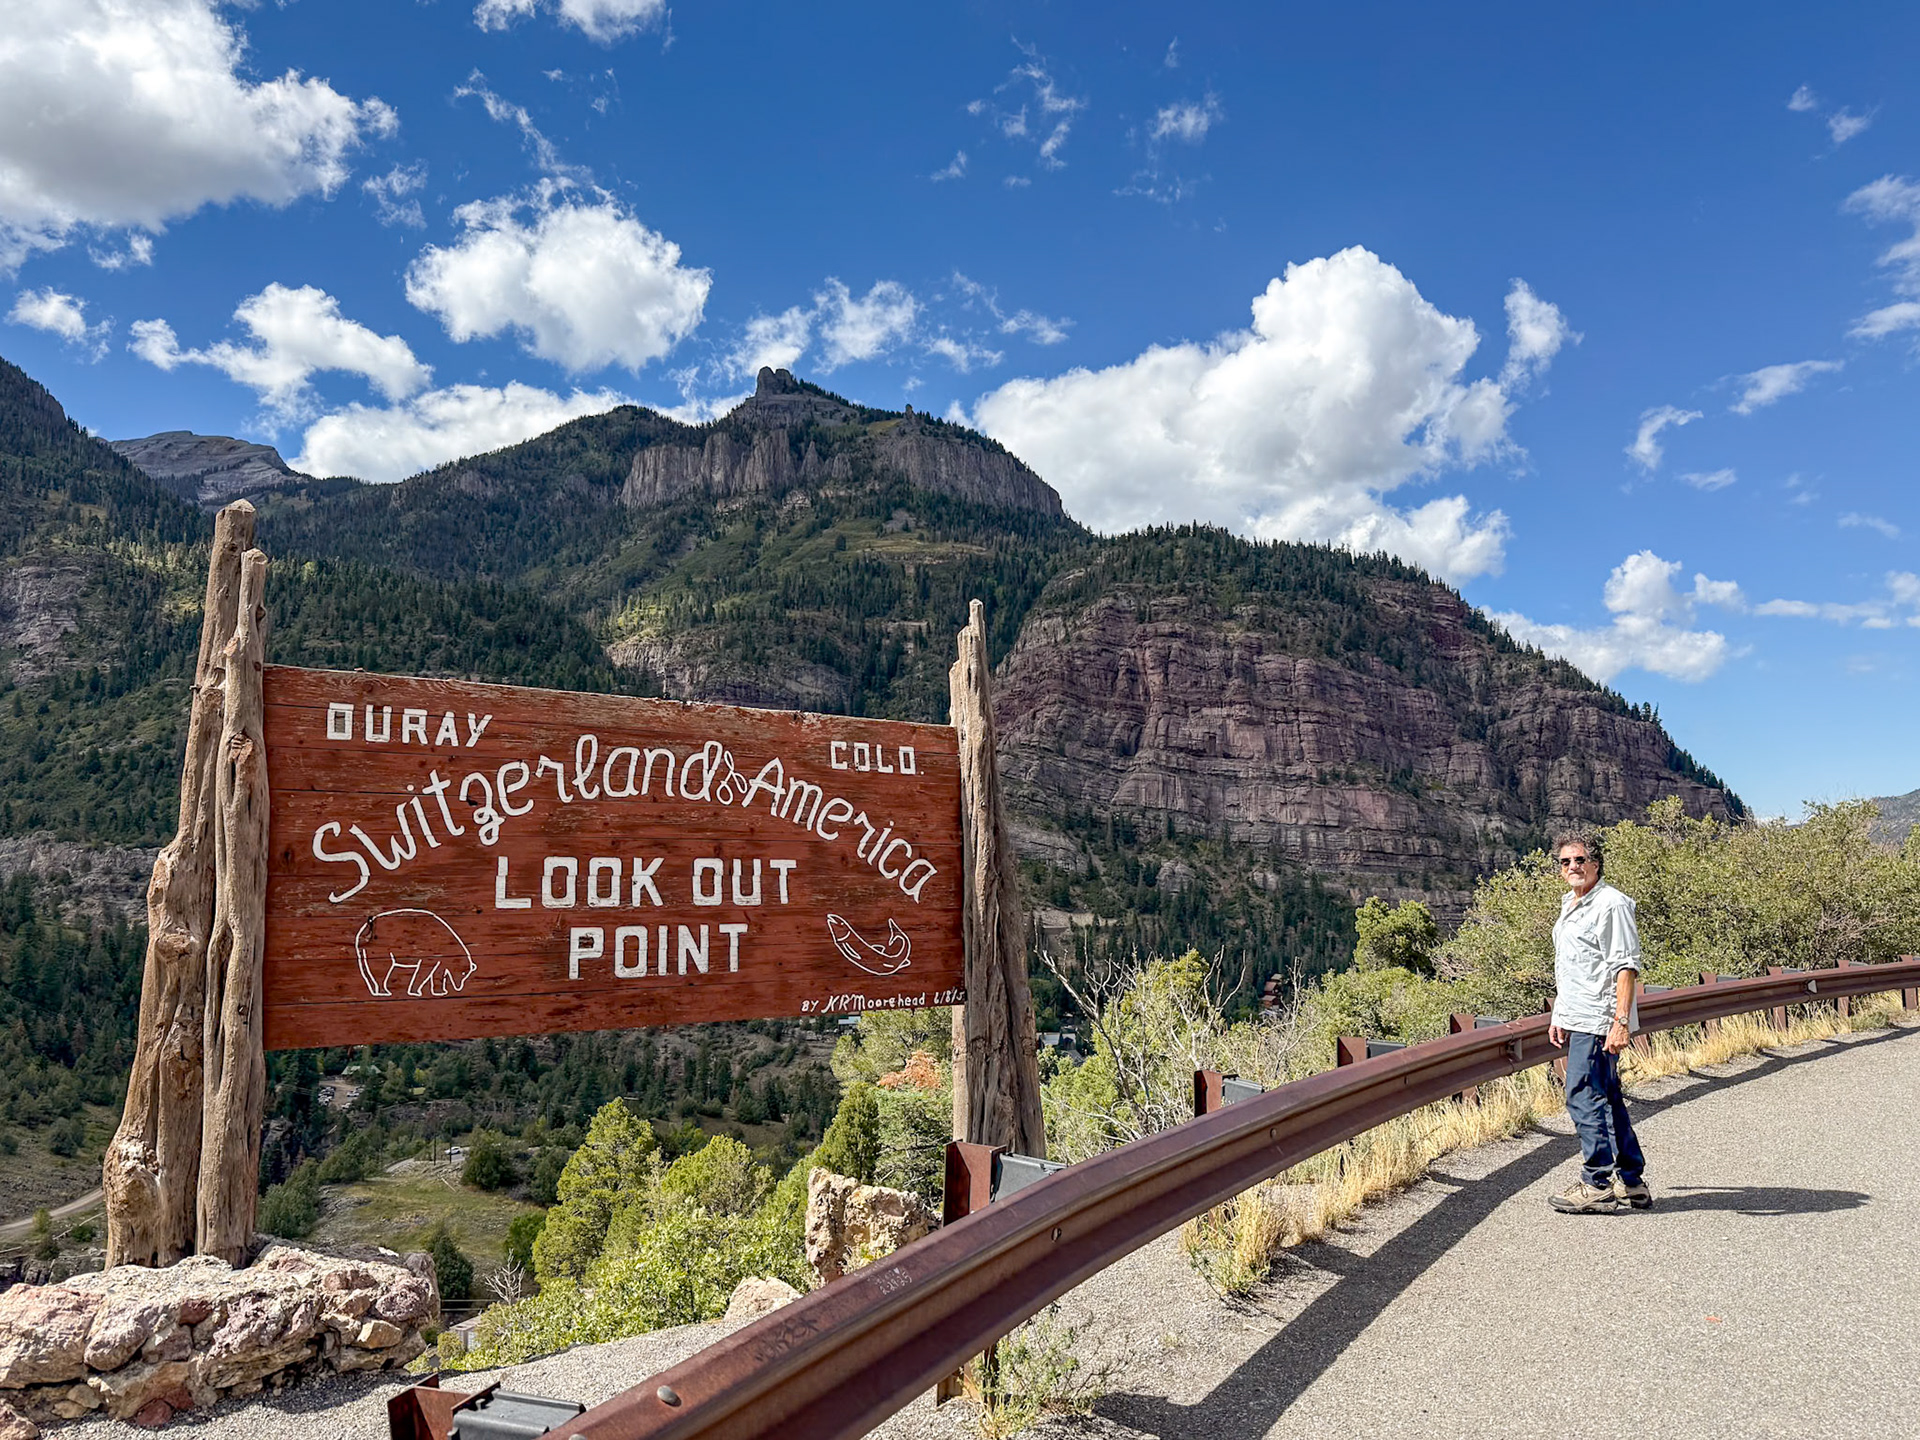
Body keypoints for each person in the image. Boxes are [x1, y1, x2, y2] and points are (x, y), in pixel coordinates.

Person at [1545, 829, 1652, 1214]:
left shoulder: (1611, 904)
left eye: (1580, 859)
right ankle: (1632, 1181)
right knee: (1607, 1098)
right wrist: (1560, 1012)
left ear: (1596, 862)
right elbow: (1573, 967)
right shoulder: (1571, 903)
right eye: (1565, 861)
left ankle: (1597, 1183)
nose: (1573, 866)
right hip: (1579, 1015)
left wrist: (1620, 1022)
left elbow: (1626, 966)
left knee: (1583, 1095)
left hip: (1599, 1019)